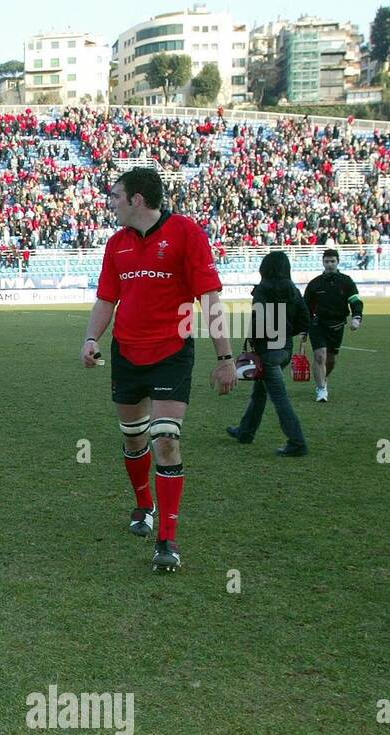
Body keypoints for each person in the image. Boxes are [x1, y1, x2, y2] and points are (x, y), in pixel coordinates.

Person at [82, 166, 235, 573]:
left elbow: (209, 296)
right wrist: (91, 339)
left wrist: (224, 358)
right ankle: (143, 504)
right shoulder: (116, 244)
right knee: (134, 441)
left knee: (165, 439)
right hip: (127, 354)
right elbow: (106, 299)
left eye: (116, 196)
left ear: (136, 199)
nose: (110, 203)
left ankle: (167, 538)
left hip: (172, 350)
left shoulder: (187, 233)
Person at [225, 251, 309, 456]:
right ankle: (245, 432)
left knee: (279, 398)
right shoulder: (293, 290)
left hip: (268, 350)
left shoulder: (263, 290)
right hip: (285, 349)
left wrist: (252, 343)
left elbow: (258, 320)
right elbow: (305, 319)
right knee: (260, 392)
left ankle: (297, 442)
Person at [303, 248, 363, 402]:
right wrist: (303, 328)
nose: (329, 264)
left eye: (332, 261)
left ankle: (323, 379)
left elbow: (356, 301)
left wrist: (357, 317)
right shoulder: (315, 284)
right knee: (319, 356)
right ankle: (321, 390)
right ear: (322, 262)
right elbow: (305, 308)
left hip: (337, 325)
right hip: (318, 324)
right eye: (327, 261)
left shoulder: (346, 281)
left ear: (338, 262)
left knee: (331, 359)